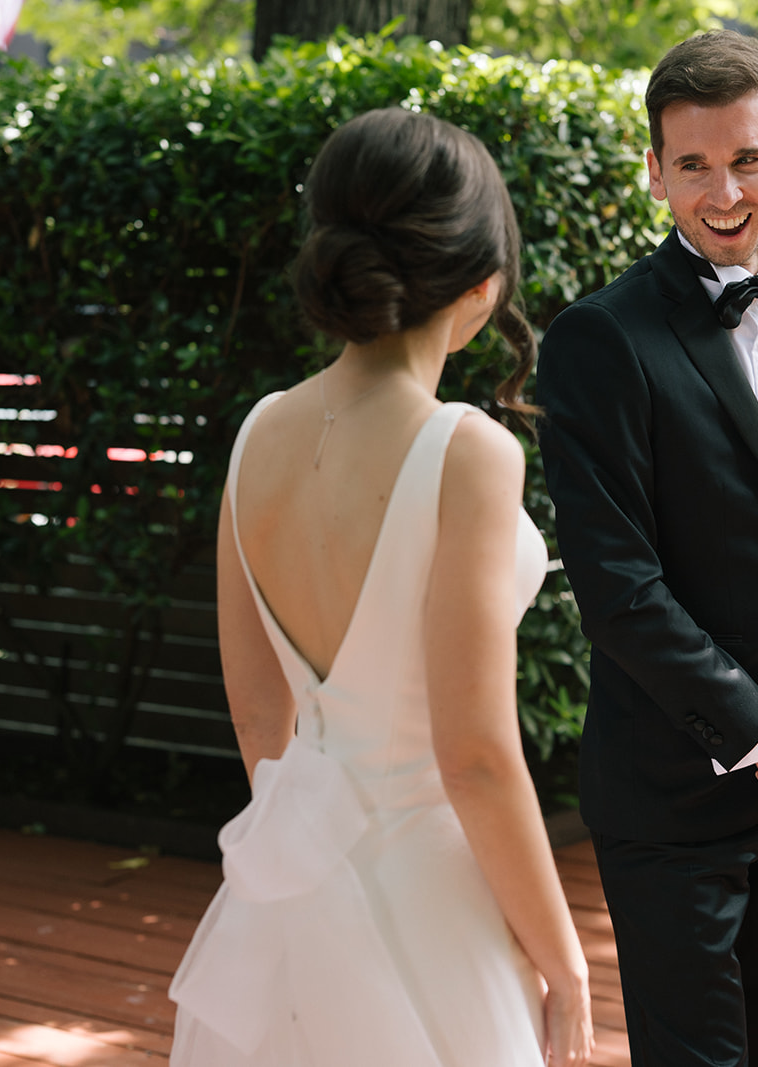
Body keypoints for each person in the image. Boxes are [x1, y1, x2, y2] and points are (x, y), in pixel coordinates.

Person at [168, 108, 593, 1067]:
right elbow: (476, 754)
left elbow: (256, 718)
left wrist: (305, 886)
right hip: (434, 900)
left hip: (291, 891)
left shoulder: (257, 433)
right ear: (480, 288)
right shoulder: (465, 451)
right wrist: (562, 957)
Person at [537, 30, 758, 1067]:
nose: (720, 191)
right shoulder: (598, 341)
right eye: (691, 164)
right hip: (669, 786)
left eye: (743, 158)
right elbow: (618, 586)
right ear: (654, 173)